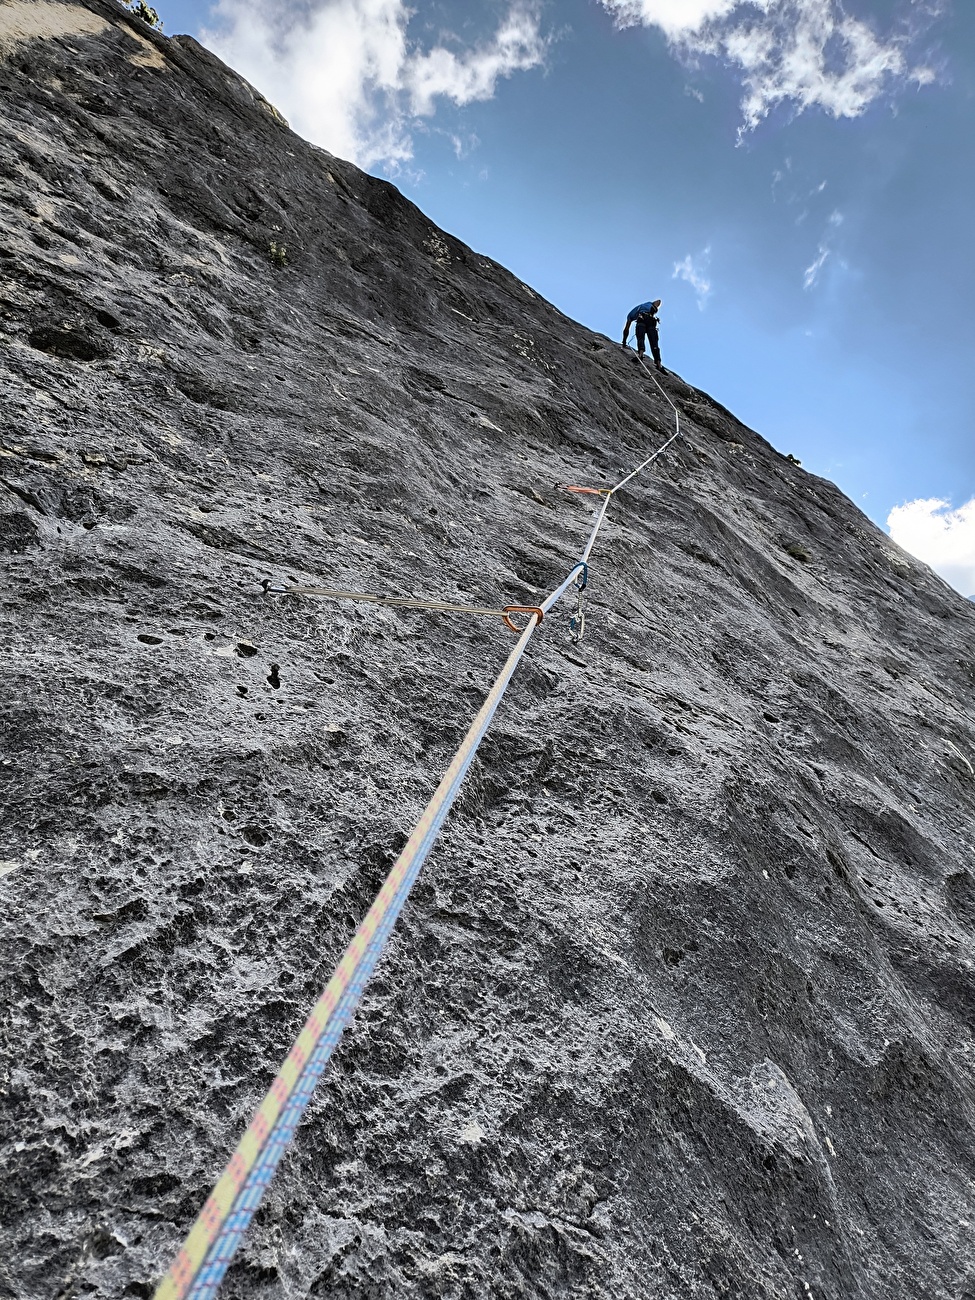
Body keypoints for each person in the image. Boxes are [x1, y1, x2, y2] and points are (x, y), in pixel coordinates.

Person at [622, 299, 663, 368]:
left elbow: (626, 329)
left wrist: (624, 341)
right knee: (654, 342)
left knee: (641, 337)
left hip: (642, 320)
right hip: (650, 321)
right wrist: (654, 309)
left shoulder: (631, 314)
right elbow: (658, 301)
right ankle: (658, 364)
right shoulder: (649, 304)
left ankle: (641, 355)